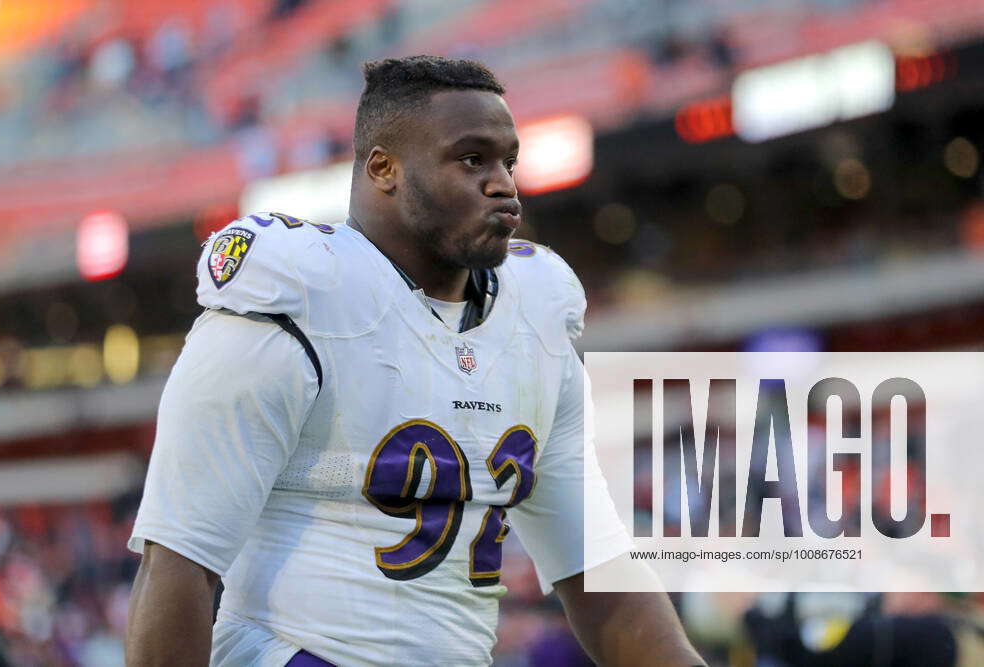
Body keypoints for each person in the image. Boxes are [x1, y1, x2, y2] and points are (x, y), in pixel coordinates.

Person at [125, 55, 704, 667]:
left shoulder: (535, 321)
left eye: (509, 161)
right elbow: (180, 569)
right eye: (472, 159)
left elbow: (596, 574)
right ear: (384, 169)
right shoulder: (291, 304)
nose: (504, 184)